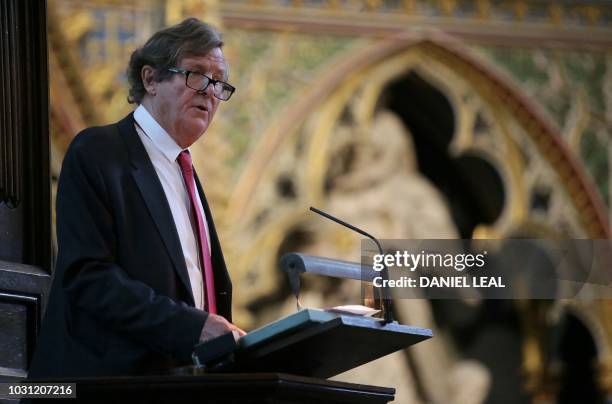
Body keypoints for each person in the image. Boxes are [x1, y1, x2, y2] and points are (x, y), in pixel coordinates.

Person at [28, 18, 245, 378]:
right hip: (100, 386)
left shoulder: (185, 171)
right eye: (196, 74)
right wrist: (193, 328)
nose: (210, 90)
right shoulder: (99, 151)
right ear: (150, 79)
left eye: (219, 82)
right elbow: (88, 277)